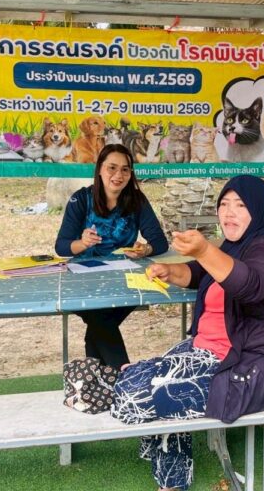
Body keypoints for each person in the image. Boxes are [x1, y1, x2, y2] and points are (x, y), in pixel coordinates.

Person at [112, 175, 264, 491]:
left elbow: (251, 285)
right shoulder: (234, 246)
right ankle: (172, 478)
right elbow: (200, 274)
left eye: (240, 205)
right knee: (136, 384)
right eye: (224, 204)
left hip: (249, 366)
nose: (229, 212)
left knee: (134, 396)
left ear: (259, 209)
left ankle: (172, 481)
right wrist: (170, 271)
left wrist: (203, 250)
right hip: (207, 351)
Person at [55, 144, 168, 369]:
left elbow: (159, 241)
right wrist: (82, 243)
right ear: (99, 169)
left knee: (99, 324)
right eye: (112, 168)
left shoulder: (137, 200)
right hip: (83, 282)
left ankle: (103, 381)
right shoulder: (82, 199)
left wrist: (145, 250)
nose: (118, 175)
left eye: (125, 169)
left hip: (124, 281)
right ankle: (126, 373)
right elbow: (62, 246)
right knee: (100, 321)